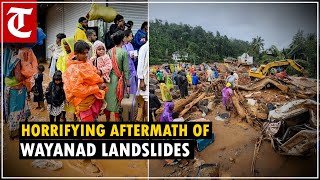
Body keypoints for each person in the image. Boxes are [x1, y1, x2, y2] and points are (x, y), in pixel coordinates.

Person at [63, 40, 107, 122]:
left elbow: (94, 75)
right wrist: (97, 87)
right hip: (83, 103)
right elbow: (77, 90)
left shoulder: (87, 62)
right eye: (83, 53)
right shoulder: (73, 69)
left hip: (93, 100)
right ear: (76, 53)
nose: (86, 55)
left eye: (87, 53)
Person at [105, 30, 130, 122]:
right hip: (118, 82)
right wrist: (128, 85)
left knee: (108, 102)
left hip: (108, 81)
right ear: (122, 40)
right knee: (116, 103)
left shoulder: (109, 51)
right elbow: (126, 71)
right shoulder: (124, 52)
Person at [136, 41, 149, 122]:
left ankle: (144, 118)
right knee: (145, 99)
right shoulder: (144, 48)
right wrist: (141, 80)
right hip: (144, 79)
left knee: (145, 100)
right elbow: (140, 65)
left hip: (146, 79)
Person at [122, 29, 137, 95]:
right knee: (125, 86)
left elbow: (134, 55)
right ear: (125, 37)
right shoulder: (121, 45)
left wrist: (134, 56)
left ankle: (132, 102)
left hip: (131, 68)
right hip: (125, 69)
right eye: (130, 36)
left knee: (132, 87)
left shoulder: (130, 45)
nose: (132, 38)